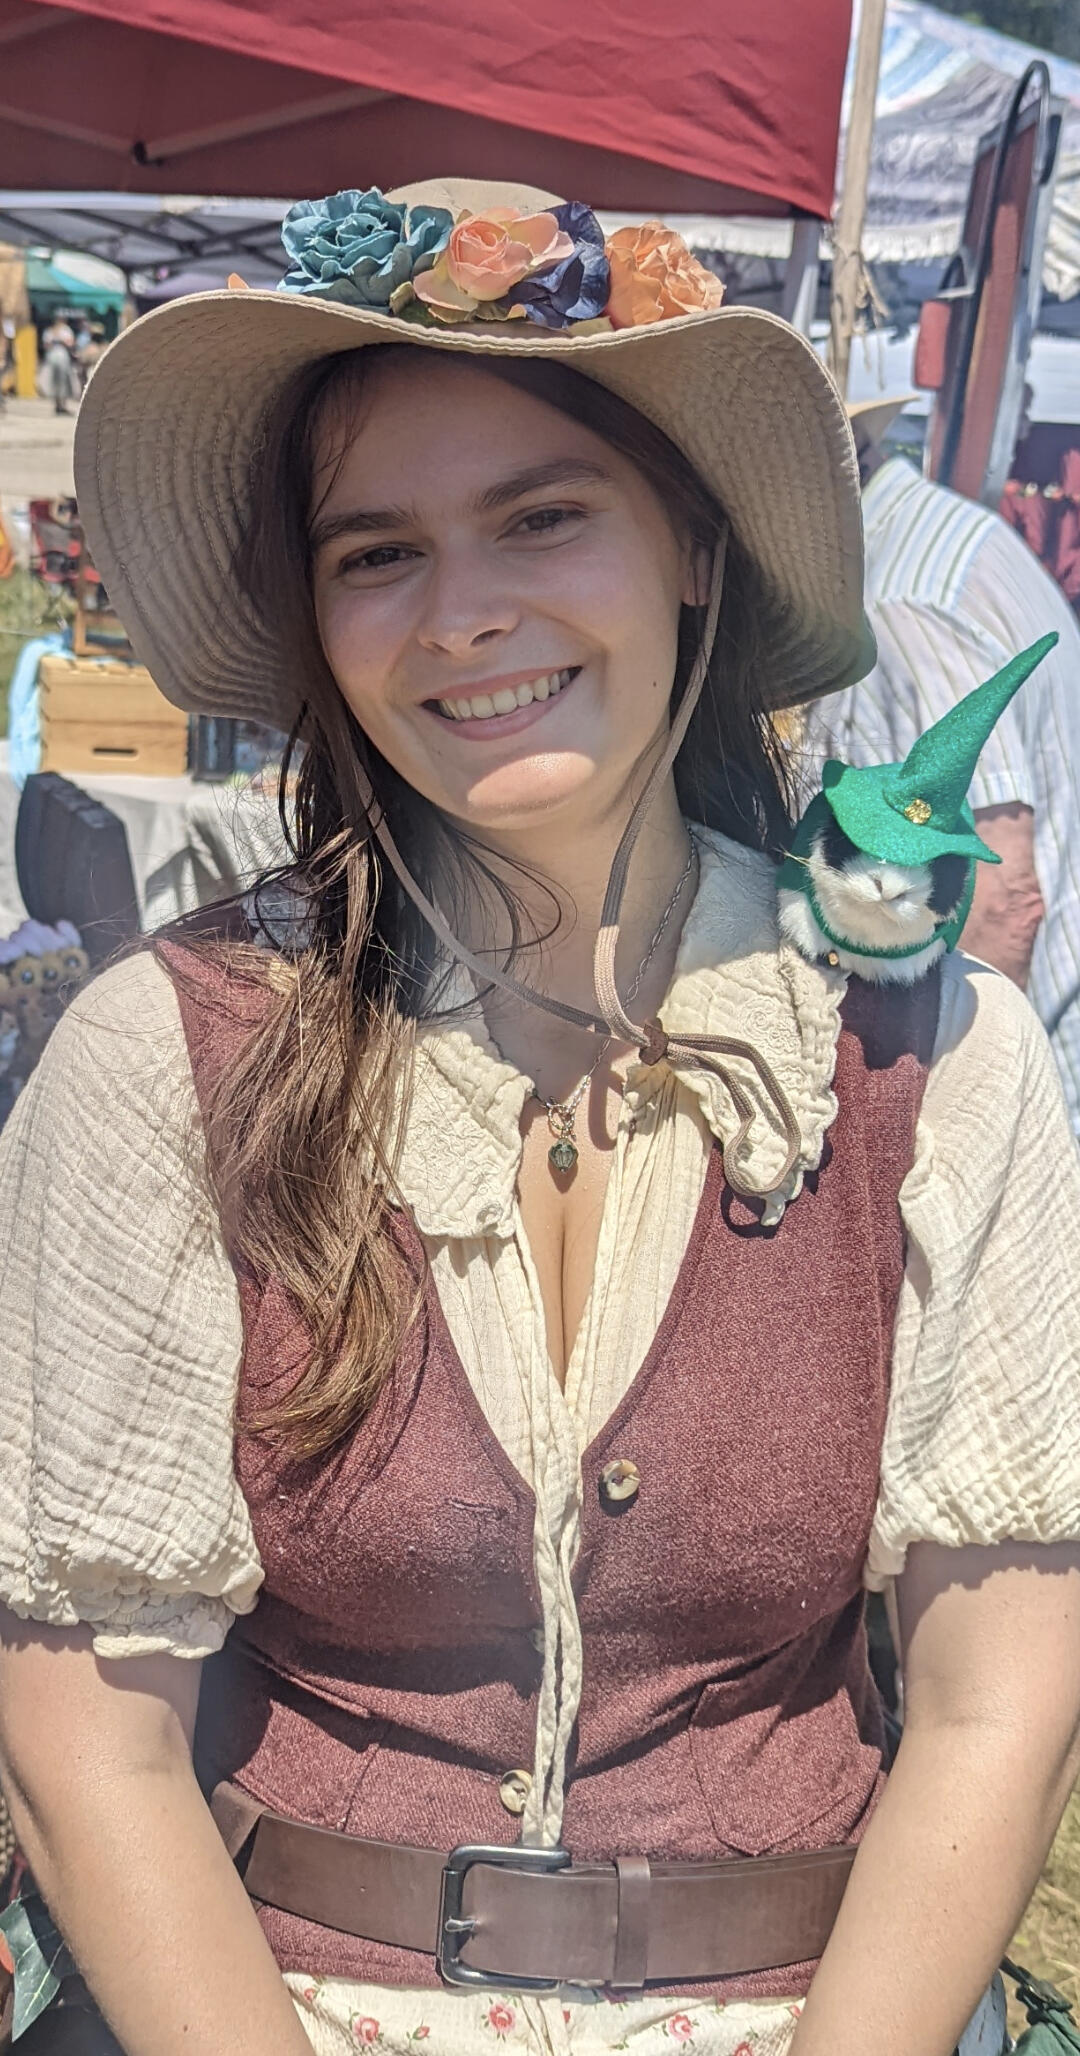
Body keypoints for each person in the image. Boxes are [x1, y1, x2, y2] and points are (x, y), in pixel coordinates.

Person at [0, 177, 1078, 2056]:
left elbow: (1000, 1699)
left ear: (693, 547)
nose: (464, 615)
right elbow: (85, 1734)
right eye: (376, 551)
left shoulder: (936, 1057)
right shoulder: (165, 1057)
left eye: (543, 515)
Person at [809, 395, 1080, 1139]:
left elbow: (1001, 902)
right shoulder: (949, 534)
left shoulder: (902, 602)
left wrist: (963, 1133)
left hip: (1042, 1076)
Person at [41, 318, 76, 415]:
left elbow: (70, 343)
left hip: (60, 357)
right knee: (56, 382)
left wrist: (60, 341)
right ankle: (59, 405)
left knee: (62, 382)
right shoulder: (51, 331)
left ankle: (62, 405)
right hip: (56, 357)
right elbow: (46, 346)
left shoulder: (64, 330)